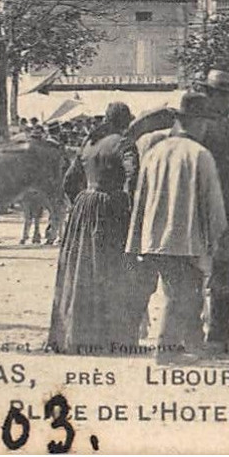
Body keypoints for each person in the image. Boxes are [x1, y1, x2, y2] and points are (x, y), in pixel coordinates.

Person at [126, 94, 229, 361]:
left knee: (184, 291)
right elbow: (214, 205)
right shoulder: (200, 155)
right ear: (197, 123)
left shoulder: (154, 153)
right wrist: (214, 240)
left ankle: (194, 343)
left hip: (153, 237)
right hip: (185, 240)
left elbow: (140, 197)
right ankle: (165, 350)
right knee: (180, 295)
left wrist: (136, 239)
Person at [48, 103, 139, 354]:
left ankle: (73, 334)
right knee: (109, 268)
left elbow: (68, 182)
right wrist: (128, 205)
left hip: (83, 206)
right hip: (110, 209)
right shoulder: (124, 143)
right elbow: (133, 178)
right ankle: (108, 338)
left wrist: (82, 201)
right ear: (126, 121)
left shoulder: (89, 143)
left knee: (80, 270)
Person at [186, 70, 229, 350]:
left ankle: (189, 331)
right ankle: (219, 334)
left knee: (189, 272)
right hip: (224, 209)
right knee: (224, 272)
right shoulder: (223, 130)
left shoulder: (188, 126)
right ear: (216, 97)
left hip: (190, 208)